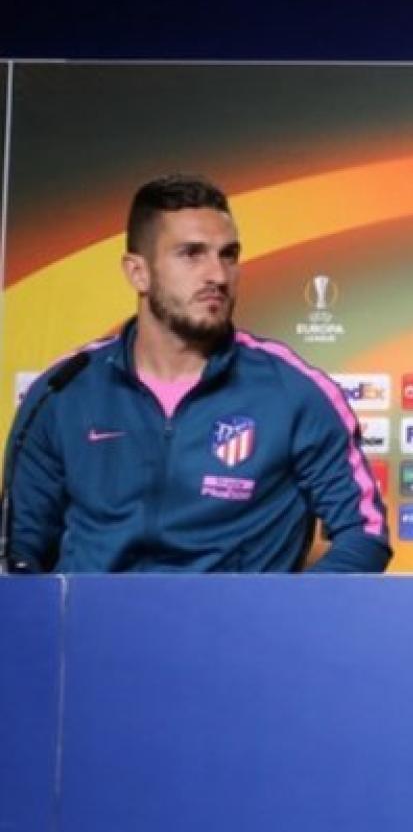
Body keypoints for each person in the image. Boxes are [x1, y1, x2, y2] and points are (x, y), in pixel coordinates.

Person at [2, 174, 390, 572]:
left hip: (238, 632)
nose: (218, 276)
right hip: (95, 631)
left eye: (228, 255)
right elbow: (18, 553)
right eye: (192, 254)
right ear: (138, 272)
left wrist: (283, 618)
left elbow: (365, 534)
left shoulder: (294, 392)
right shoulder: (62, 392)